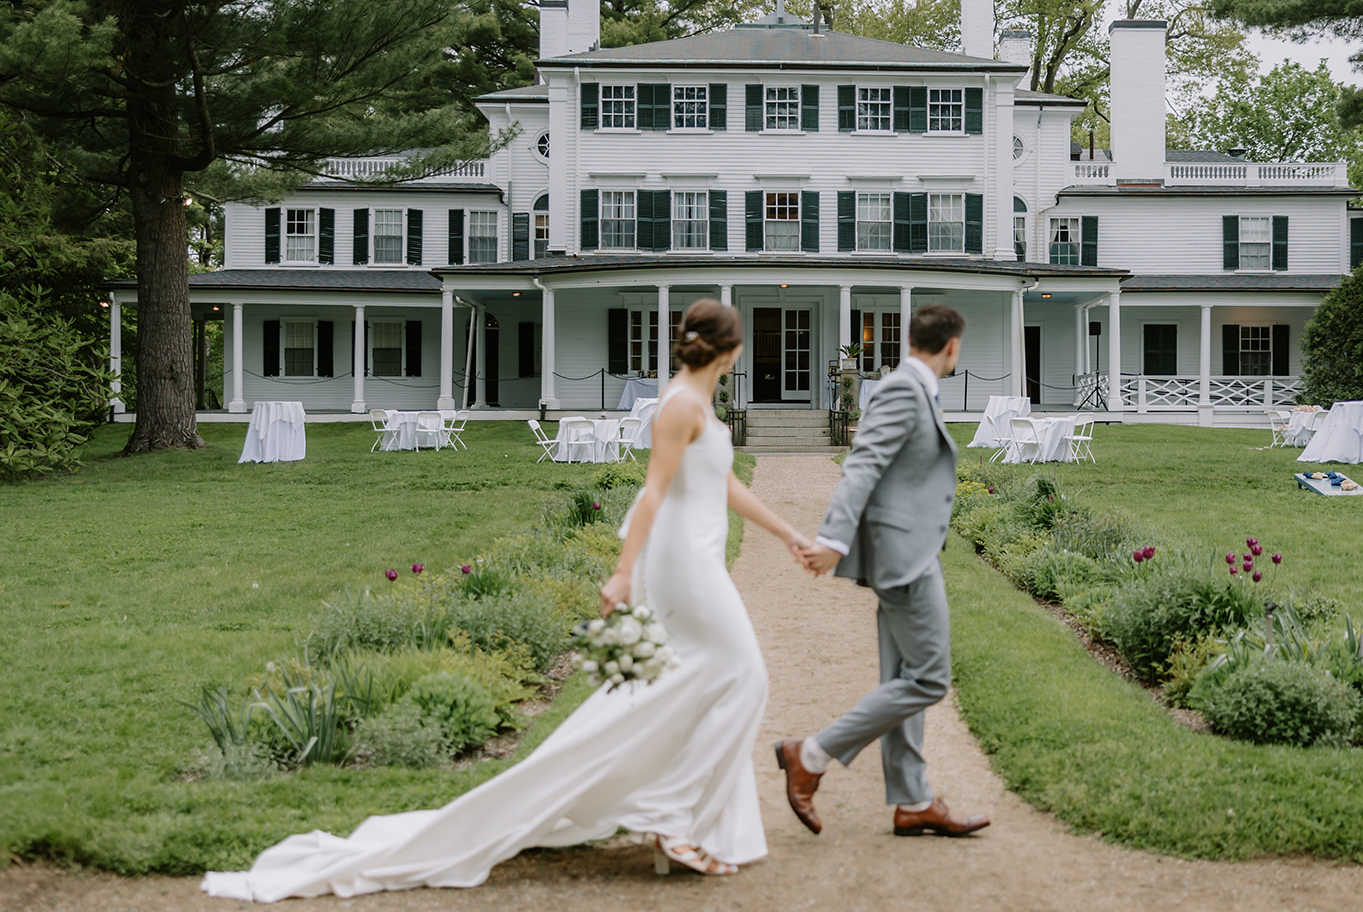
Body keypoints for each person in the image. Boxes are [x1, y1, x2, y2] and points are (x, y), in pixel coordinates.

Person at [203, 299, 810, 902]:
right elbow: (651, 492)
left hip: (696, 552)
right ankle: (671, 815)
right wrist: (623, 574)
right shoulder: (679, 404)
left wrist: (787, 535)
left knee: (698, 680)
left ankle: (672, 811)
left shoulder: (697, 400)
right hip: (684, 562)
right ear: (730, 351)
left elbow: (722, 481)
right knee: (744, 673)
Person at [777, 304, 990, 838]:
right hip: (907, 559)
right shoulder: (903, 389)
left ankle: (913, 800)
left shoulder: (912, 386)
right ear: (952, 346)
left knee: (903, 678)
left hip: (905, 551)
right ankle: (812, 754)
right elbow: (864, 463)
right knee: (930, 678)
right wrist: (831, 538)